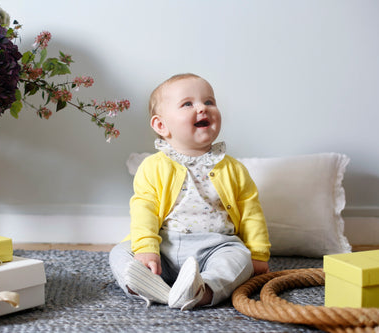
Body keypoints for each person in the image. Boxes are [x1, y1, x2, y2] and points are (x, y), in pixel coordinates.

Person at [109, 73, 271, 310]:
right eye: (188, 104)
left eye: (209, 102)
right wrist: (145, 250)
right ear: (161, 125)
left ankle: (201, 289)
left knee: (238, 259)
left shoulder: (233, 168)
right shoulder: (153, 166)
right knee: (120, 253)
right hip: (164, 246)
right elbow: (144, 208)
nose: (203, 109)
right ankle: (145, 284)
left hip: (217, 246)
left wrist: (257, 254)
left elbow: (251, 212)